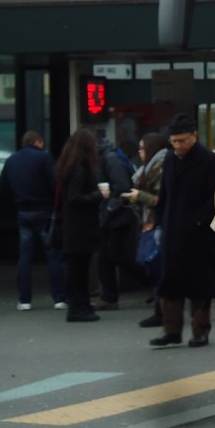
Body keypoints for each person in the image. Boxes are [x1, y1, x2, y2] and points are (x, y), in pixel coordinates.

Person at [149, 113, 215, 349]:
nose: (178, 146)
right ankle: (171, 330)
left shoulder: (209, 161)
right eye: (174, 141)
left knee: (200, 285)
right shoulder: (170, 159)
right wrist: (159, 220)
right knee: (170, 283)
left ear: (194, 136)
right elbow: (165, 194)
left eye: (182, 140)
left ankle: (200, 331)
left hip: (198, 233)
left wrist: (198, 220)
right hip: (173, 229)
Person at [0, 130, 65, 311]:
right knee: (53, 255)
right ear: (38, 142)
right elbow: (54, 184)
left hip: (23, 212)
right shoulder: (44, 158)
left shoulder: (12, 160)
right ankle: (58, 298)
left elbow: (3, 189)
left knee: (24, 257)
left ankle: (25, 300)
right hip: (44, 211)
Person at [55, 128, 107, 322]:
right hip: (81, 227)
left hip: (74, 226)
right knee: (79, 270)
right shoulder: (80, 168)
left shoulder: (69, 166)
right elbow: (75, 198)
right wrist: (98, 195)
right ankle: (78, 308)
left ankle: (81, 306)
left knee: (77, 269)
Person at [124, 132, 167, 328]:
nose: (139, 153)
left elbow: (160, 200)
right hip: (152, 222)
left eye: (142, 148)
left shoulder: (160, 167)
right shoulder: (149, 167)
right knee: (154, 266)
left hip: (158, 223)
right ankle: (161, 310)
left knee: (157, 266)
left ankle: (164, 312)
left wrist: (139, 196)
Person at [94, 133, 137, 311]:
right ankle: (109, 297)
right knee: (110, 257)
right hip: (116, 215)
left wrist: (109, 209)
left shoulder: (108, 159)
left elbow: (122, 187)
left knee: (114, 257)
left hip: (116, 216)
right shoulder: (108, 156)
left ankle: (153, 282)